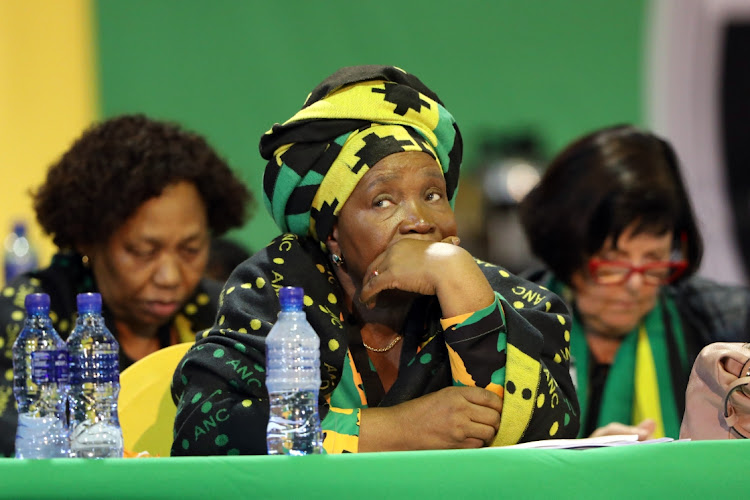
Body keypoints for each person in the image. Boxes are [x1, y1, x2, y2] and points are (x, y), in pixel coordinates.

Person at [171, 65, 579, 456]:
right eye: (383, 201)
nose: (418, 221)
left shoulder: (495, 291)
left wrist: (459, 283)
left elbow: (550, 435)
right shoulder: (280, 289)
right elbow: (206, 429)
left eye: (433, 195)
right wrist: (399, 429)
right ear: (332, 232)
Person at [0, 114, 253, 456]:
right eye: (142, 251)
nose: (170, 277)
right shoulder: (33, 312)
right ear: (88, 240)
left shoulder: (220, 312)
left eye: (190, 250)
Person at [518, 124, 750, 440]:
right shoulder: (511, 330)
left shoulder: (729, 328)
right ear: (566, 254)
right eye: (612, 262)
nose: (635, 285)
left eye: (655, 259)